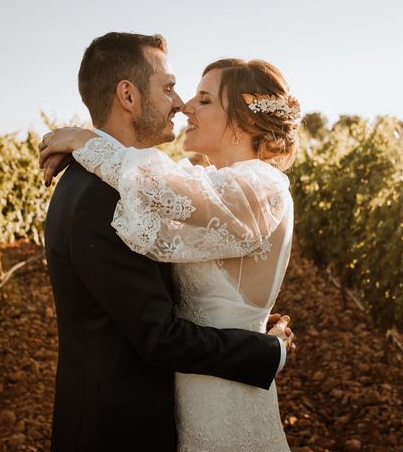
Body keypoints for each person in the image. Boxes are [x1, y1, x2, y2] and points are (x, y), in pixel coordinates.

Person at [40, 32, 297, 452]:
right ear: (128, 95)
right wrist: (263, 348)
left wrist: (87, 142)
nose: (183, 104)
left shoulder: (253, 187)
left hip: (215, 402)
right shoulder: (105, 194)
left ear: (245, 122)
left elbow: (173, 199)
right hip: (123, 428)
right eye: (171, 88)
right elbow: (159, 333)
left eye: (203, 99)